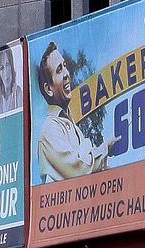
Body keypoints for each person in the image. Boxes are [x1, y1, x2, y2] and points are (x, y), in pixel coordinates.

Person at [34, 41, 107, 181]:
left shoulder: (72, 126)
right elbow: (79, 171)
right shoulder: (50, 129)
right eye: (59, 70)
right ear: (48, 89)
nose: (66, 74)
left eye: (65, 66)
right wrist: (104, 150)